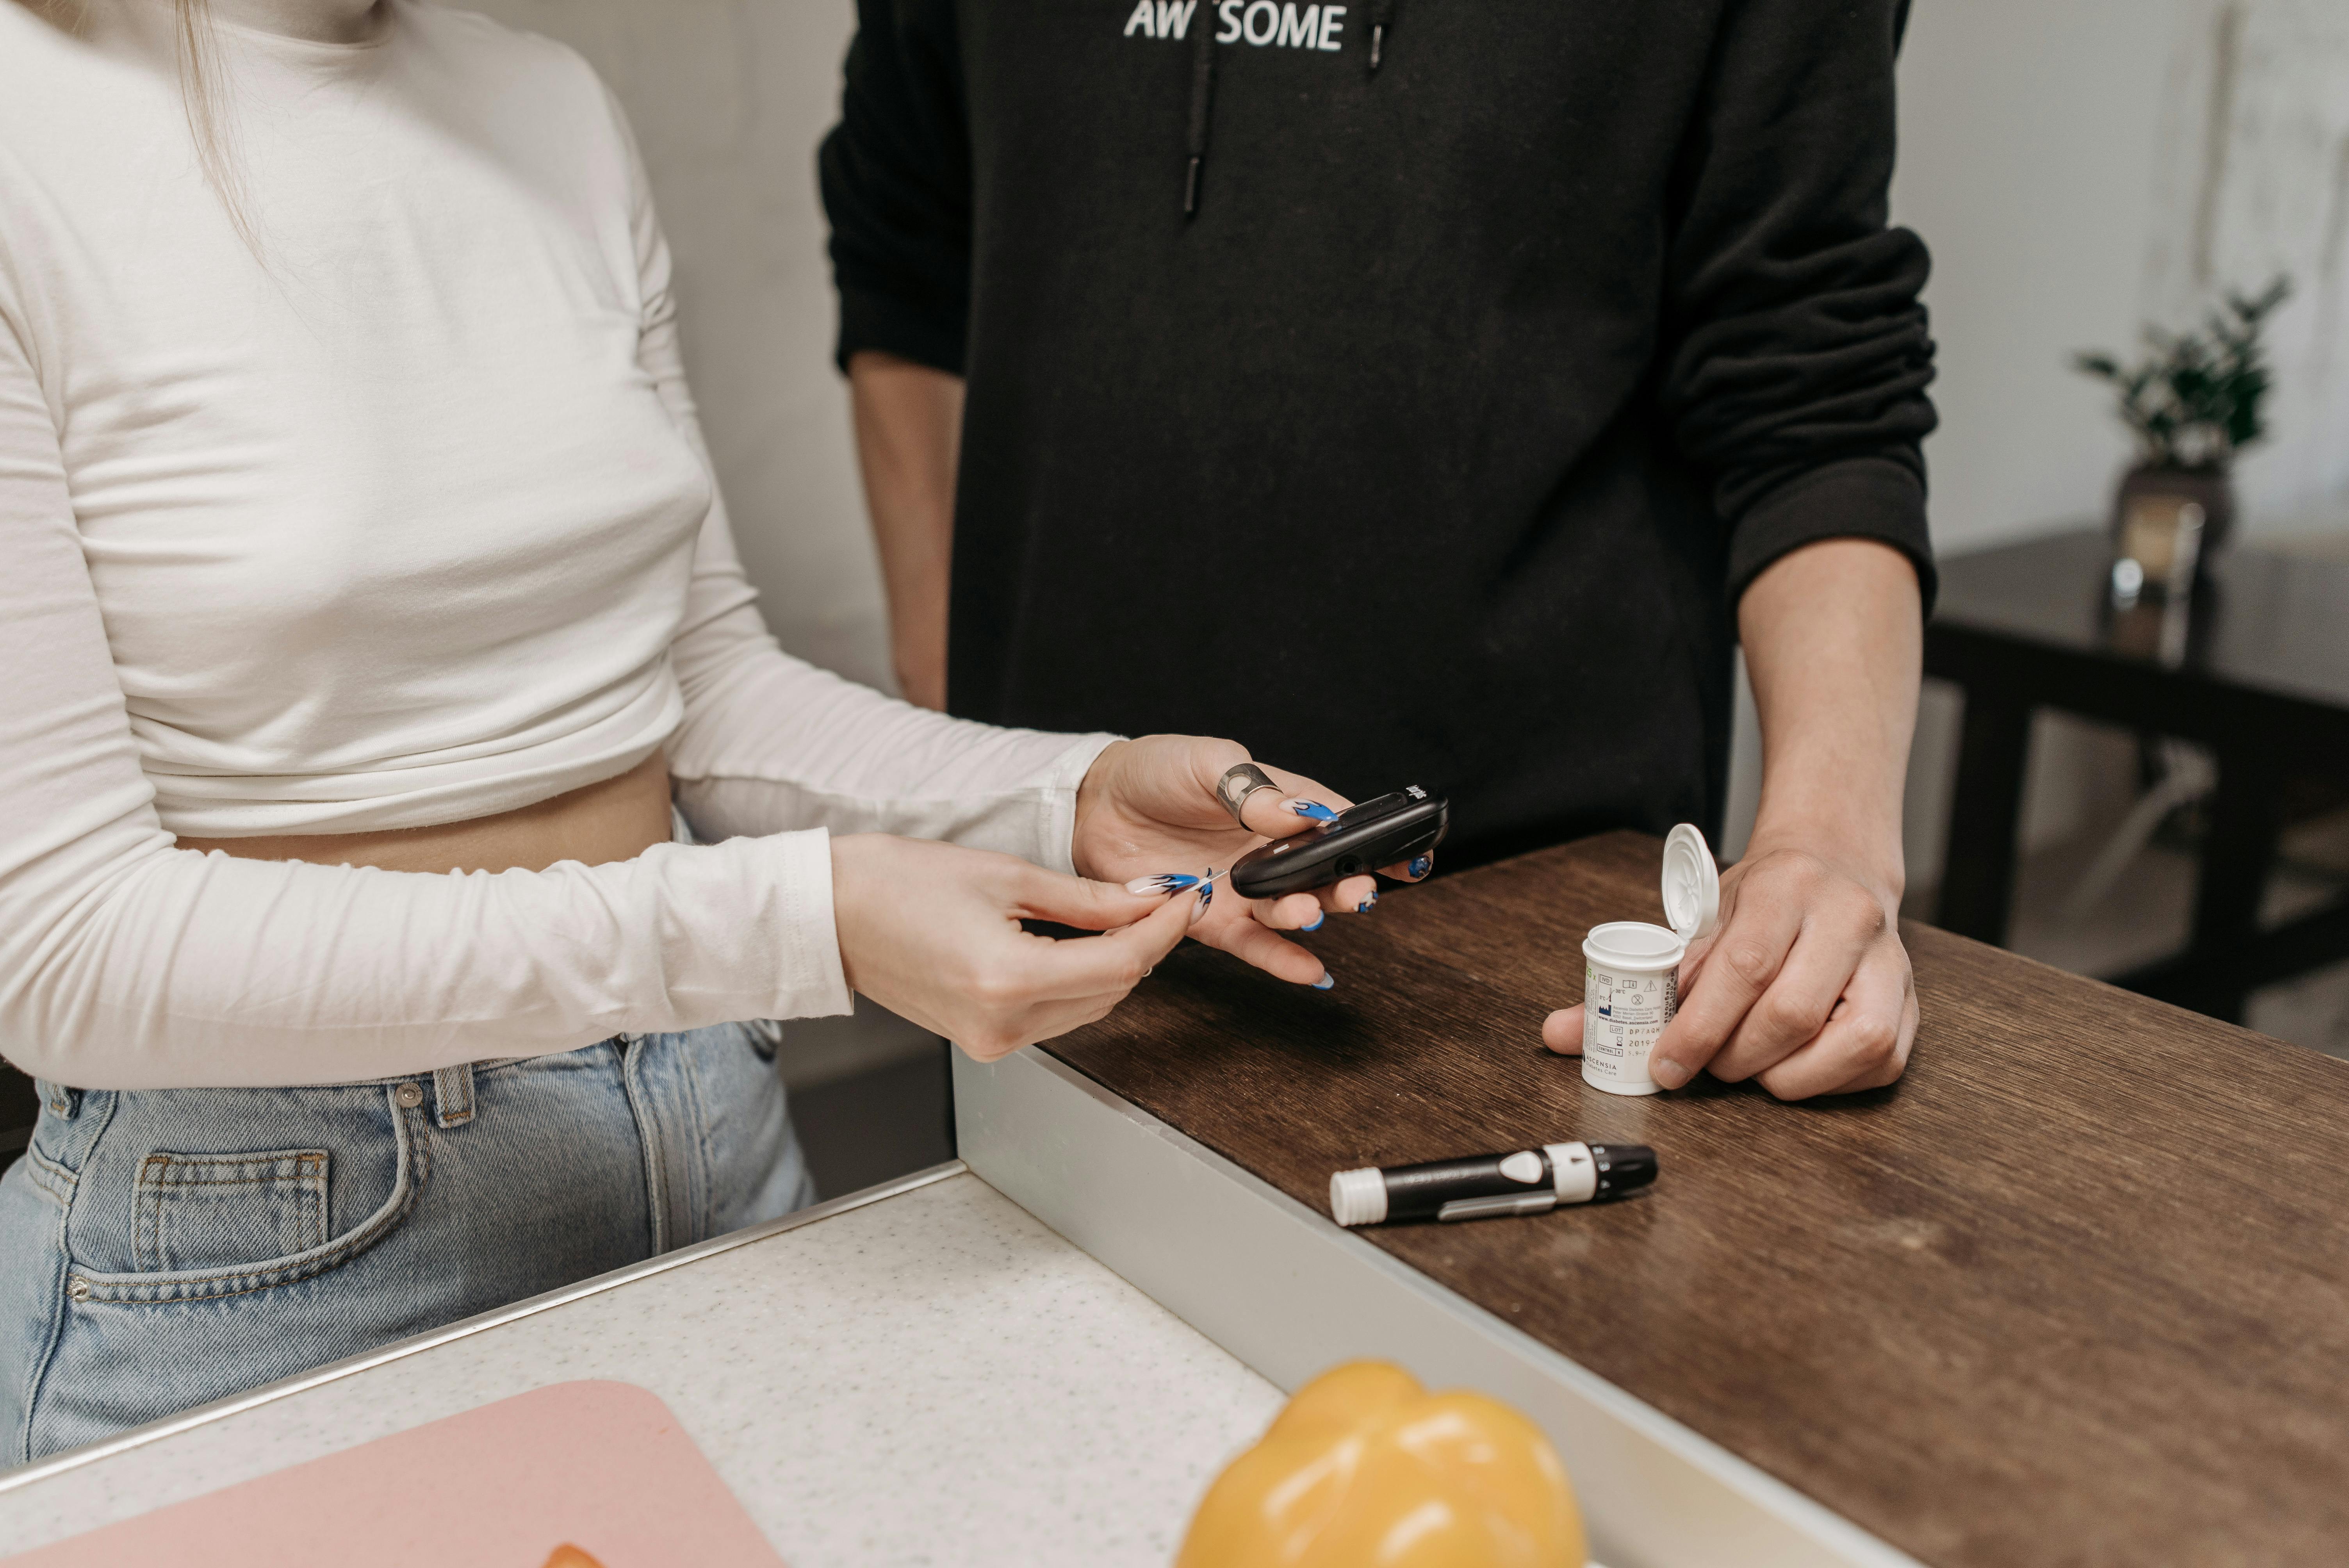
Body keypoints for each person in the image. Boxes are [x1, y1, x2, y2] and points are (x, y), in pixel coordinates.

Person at [0, 0, 1384, 1463]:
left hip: (704, 1116)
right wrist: (797, 922)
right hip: (271, 1236)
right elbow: (67, 949)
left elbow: (702, 692)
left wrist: (1063, 798)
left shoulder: (546, 104)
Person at [822, 0, 1935, 1101]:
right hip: (1060, 871)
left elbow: (1810, 374)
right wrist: (956, 737)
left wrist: (1831, 843)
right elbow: (904, 259)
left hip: (1534, 926)